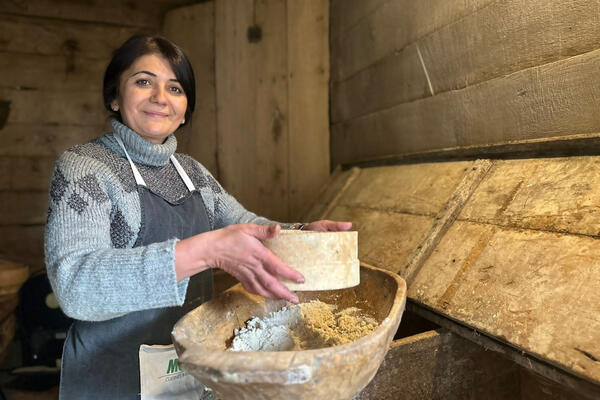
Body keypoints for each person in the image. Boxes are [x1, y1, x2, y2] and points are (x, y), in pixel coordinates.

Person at [44, 34, 351, 399]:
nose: (160, 97)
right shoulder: (85, 169)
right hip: (111, 378)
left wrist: (301, 233)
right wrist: (205, 251)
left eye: (175, 88)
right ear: (114, 96)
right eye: (143, 82)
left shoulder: (192, 174)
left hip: (187, 372)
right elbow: (75, 286)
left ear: (186, 108)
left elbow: (247, 225)